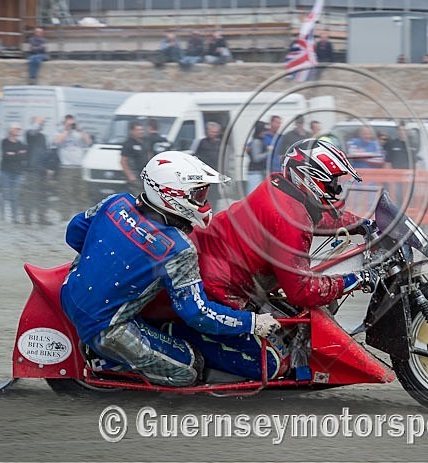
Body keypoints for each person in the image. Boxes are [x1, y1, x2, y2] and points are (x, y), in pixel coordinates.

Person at [60, 151, 283, 386]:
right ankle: (108, 362)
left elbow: (74, 232)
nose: (204, 201)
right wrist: (252, 322)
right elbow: (197, 313)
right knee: (189, 369)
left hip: (69, 291)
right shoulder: (178, 248)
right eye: (199, 194)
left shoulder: (116, 201)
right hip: (109, 329)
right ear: (173, 195)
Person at [193, 139, 376, 378]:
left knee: (301, 321)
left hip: (218, 265)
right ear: (310, 177)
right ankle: (193, 344)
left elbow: (320, 218)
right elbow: (301, 291)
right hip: (219, 288)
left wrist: (363, 225)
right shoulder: (291, 218)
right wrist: (353, 280)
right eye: (332, 182)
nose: (336, 189)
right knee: (276, 363)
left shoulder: (282, 186)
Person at [54, 114, 92, 218]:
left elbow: (88, 142)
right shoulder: (60, 131)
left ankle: (81, 217)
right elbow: (57, 141)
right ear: (64, 122)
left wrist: (81, 130)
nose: (71, 124)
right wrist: (66, 130)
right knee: (65, 194)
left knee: (81, 194)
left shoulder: (79, 133)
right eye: (68, 122)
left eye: (72, 122)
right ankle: (65, 217)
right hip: (66, 168)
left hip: (78, 167)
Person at [22, 116, 52, 226]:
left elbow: (45, 153)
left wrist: (48, 168)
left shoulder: (43, 137)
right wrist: (37, 122)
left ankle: (42, 218)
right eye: (40, 123)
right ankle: (27, 219)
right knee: (30, 195)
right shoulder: (29, 134)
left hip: (42, 170)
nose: (42, 125)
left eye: (42, 123)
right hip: (31, 170)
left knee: (42, 196)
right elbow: (33, 131)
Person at [0, 123, 28, 224]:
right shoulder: (4, 142)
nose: (18, 131)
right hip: (5, 171)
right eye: (16, 129)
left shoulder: (21, 144)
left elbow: (24, 157)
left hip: (17, 172)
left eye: (19, 129)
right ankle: (2, 217)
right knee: (5, 194)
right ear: (10, 130)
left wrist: (13, 154)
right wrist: (17, 154)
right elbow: (6, 156)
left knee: (15, 195)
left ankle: (14, 218)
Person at [120, 121, 148, 195]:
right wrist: (130, 175)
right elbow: (123, 161)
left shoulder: (144, 142)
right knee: (137, 196)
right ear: (132, 131)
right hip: (134, 175)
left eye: (141, 130)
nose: (140, 132)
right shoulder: (128, 144)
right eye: (138, 130)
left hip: (144, 174)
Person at [246, 121, 269, 193]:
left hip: (257, 172)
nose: (265, 133)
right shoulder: (257, 142)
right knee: (254, 193)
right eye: (264, 131)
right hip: (255, 173)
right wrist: (268, 153)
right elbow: (256, 158)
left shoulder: (257, 141)